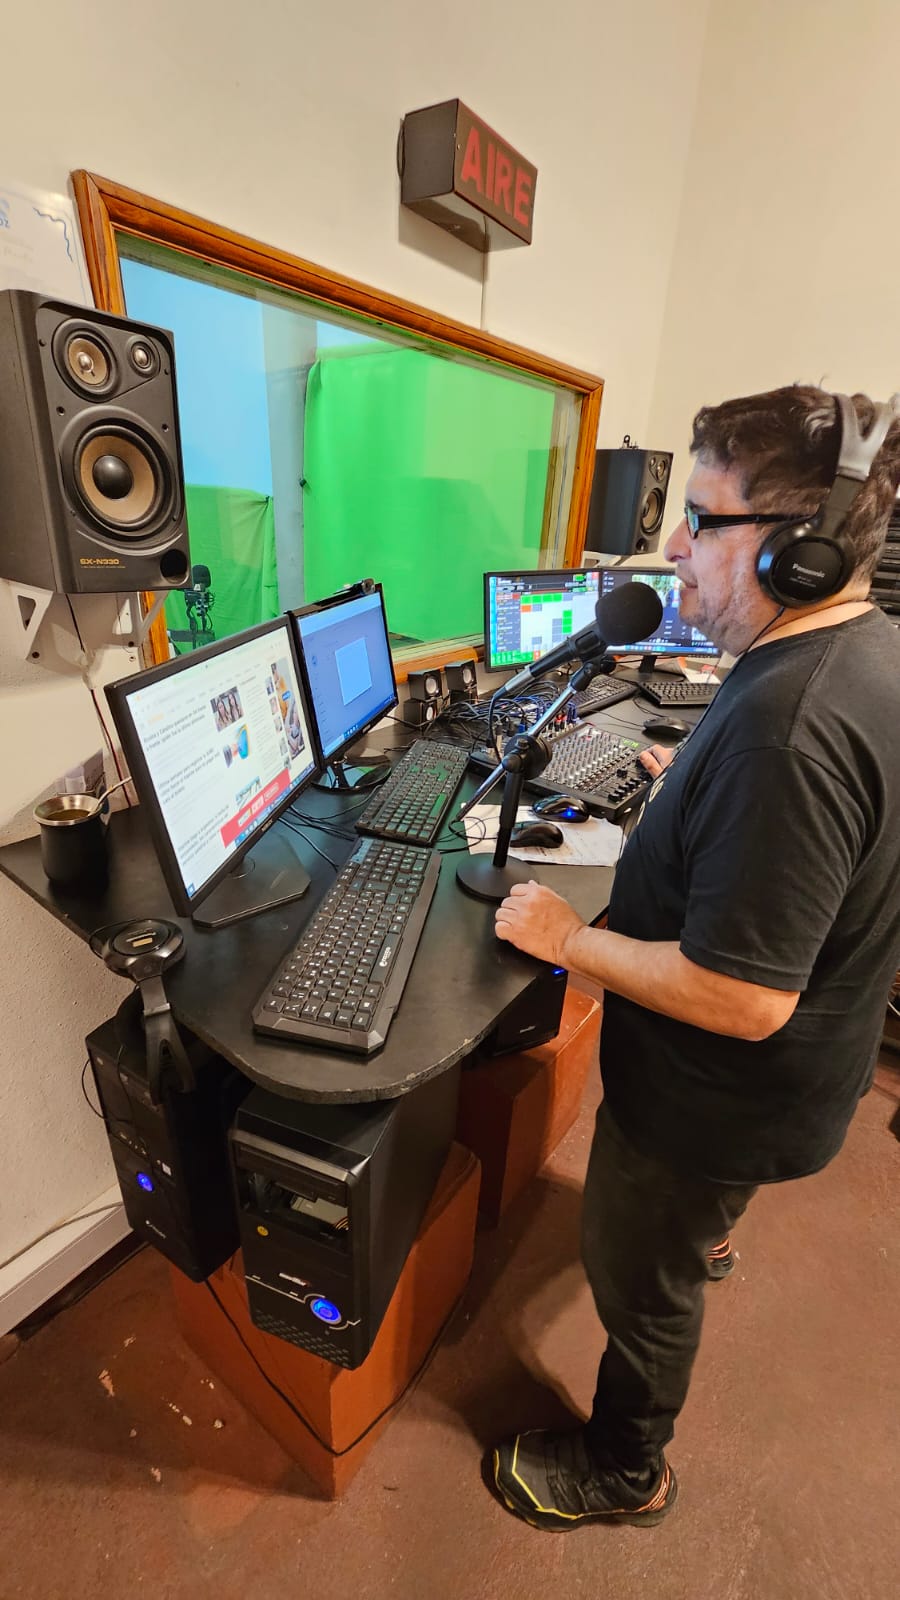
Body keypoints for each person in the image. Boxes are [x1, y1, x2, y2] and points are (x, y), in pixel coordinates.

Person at [488, 385, 900, 1532]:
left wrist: (570, 940)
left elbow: (744, 995)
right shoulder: (856, 650)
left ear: (802, 552)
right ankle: (707, 1229)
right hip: (804, 1078)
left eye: (704, 518)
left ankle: (626, 1470)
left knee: (641, 1278)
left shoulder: (789, 733)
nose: (672, 543)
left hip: (716, 1099)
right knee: (690, 1229)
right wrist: (696, 786)